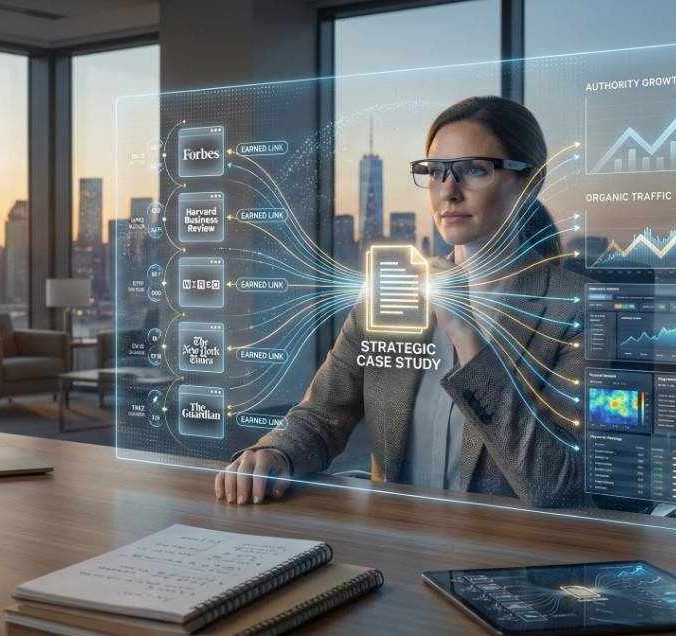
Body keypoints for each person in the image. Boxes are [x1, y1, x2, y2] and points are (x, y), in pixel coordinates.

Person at [214, 96, 589, 509]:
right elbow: (320, 416)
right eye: (435, 172)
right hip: (394, 545)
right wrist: (277, 451)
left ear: (530, 182)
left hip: (505, 561)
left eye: (474, 171)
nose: (448, 191)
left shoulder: (573, 310)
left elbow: (555, 484)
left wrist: (462, 328)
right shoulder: (390, 296)